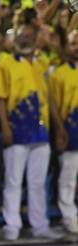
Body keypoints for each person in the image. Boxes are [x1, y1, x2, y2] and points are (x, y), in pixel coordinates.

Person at [0, 21, 65, 241]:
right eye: (20, 36)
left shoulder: (43, 64)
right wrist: (5, 126)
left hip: (41, 132)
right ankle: (12, 225)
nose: (24, 39)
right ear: (14, 40)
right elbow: (0, 98)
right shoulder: (5, 64)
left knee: (37, 182)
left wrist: (59, 127)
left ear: (35, 39)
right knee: (13, 181)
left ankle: (39, 226)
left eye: (28, 36)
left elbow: (49, 98)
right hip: (16, 130)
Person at [49, 29, 78, 234]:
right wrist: (60, 130)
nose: (77, 47)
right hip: (71, 130)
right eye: (73, 43)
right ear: (66, 47)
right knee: (68, 177)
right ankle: (69, 216)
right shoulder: (58, 74)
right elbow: (54, 107)